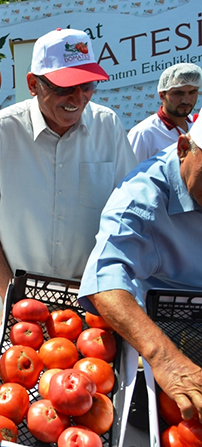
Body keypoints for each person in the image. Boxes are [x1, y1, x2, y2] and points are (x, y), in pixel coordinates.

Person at [0, 28, 137, 317]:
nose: (77, 98)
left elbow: (127, 210)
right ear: (32, 84)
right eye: (64, 87)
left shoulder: (108, 126)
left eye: (87, 85)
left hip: (90, 299)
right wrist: (8, 293)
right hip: (18, 299)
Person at [79, 117, 202, 423]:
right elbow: (104, 281)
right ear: (184, 148)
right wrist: (164, 358)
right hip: (163, 329)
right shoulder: (139, 199)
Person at [128, 63, 202, 162]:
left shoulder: (196, 126)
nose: (186, 100)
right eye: (178, 93)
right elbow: (131, 175)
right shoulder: (144, 134)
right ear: (162, 95)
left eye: (192, 92)